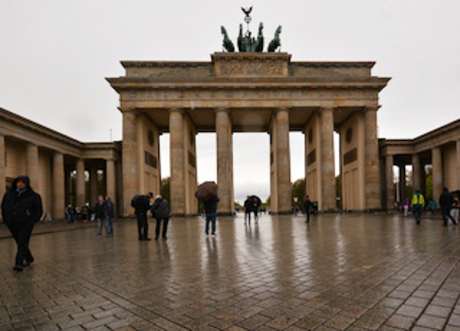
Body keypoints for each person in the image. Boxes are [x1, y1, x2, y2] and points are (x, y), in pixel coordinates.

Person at [1, 176, 43, 271]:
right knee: (20, 242)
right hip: (12, 222)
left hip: (26, 223)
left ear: (26, 184)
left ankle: (18, 263)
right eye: (18, 182)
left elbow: (38, 210)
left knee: (23, 242)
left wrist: (33, 220)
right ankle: (29, 257)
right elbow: (3, 206)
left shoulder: (34, 196)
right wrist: (5, 218)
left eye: (23, 182)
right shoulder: (9, 194)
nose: (20, 184)